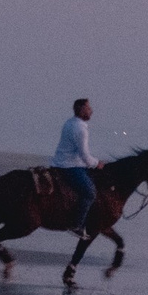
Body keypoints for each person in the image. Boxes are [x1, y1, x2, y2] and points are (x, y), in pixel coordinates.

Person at [50, 97, 99, 236]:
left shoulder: (70, 122)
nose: (91, 111)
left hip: (64, 162)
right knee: (90, 193)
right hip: (70, 166)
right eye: (88, 108)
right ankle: (76, 225)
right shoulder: (80, 128)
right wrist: (97, 163)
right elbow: (84, 155)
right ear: (81, 110)